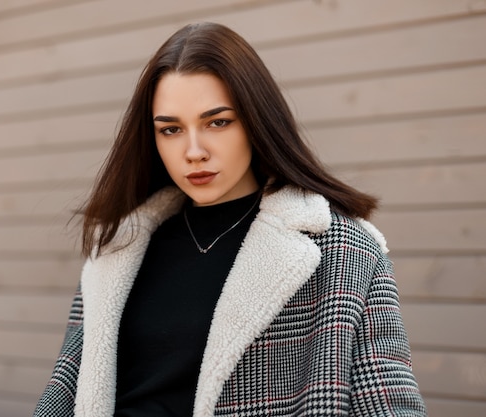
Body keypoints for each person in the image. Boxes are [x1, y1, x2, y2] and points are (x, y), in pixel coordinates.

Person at [33, 22, 427, 417]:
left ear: (256, 120)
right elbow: (65, 388)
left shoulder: (341, 249)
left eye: (217, 122)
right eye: (170, 129)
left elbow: (388, 400)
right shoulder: (119, 246)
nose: (194, 151)